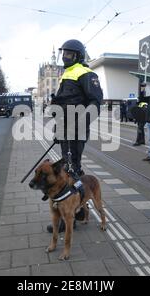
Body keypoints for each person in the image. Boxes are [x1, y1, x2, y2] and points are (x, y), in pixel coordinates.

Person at [47, 39, 103, 233]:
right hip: (65, 129)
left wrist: (80, 122)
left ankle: (69, 215)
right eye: (63, 53)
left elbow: (95, 103)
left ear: (78, 56)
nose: (64, 57)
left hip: (75, 130)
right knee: (71, 169)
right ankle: (78, 211)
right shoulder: (66, 74)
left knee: (71, 171)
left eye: (69, 54)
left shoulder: (86, 74)